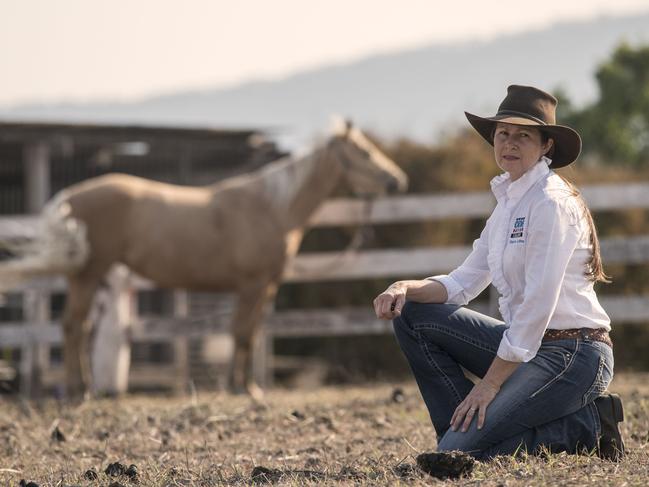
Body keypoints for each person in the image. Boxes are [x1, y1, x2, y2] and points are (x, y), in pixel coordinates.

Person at [373, 85, 624, 461]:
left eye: (524, 135)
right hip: (526, 346)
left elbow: (539, 304)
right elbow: (462, 283)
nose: (510, 142)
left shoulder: (552, 203)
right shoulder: (508, 203)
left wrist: (489, 385)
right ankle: (459, 443)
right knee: (413, 314)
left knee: (464, 448)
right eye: (503, 133)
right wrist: (405, 287)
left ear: (546, 147)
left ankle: (587, 425)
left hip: (573, 353)